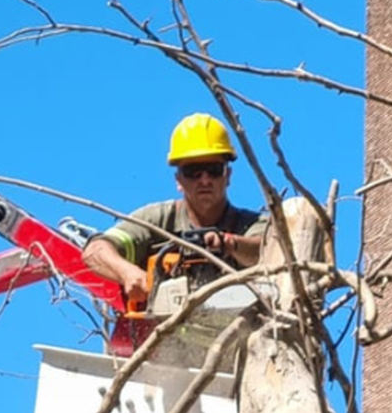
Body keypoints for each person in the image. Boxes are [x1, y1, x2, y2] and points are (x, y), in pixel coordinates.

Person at [82, 113, 266, 307]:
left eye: (213, 170)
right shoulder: (158, 219)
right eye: (193, 171)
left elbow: (267, 251)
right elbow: (95, 251)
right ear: (178, 180)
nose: (205, 180)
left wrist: (230, 243)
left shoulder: (253, 225)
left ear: (227, 175)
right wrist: (128, 273)